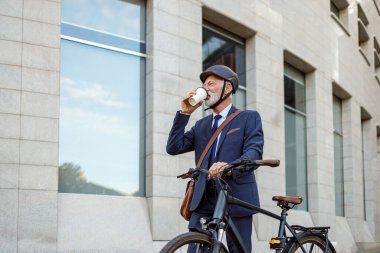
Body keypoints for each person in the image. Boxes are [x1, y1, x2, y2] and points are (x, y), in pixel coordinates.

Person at [166, 65, 264, 252]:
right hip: (204, 196)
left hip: (236, 193)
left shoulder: (248, 118)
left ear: (228, 88)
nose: (206, 88)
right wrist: (185, 113)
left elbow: (254, 153)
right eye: (204, 84)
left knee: (239, 250)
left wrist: (229, 166)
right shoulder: (201, 125)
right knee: (195, 248)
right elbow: (174, 147)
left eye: (211, 84)